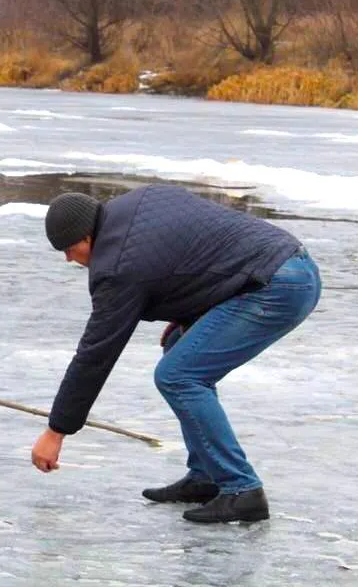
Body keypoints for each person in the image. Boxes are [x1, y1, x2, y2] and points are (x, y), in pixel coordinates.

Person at [29, 186, 321, 524]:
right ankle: (206, 475)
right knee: (178, 348)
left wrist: (56, 431)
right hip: (286, 265)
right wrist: (191, 314)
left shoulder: (117, 266)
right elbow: (197, 250)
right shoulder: (138, 203)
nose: (69, 259)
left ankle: (242, 490)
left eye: (69, 249)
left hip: (276, 286)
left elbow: (95, 355)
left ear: (86, 236)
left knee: (178, 375)